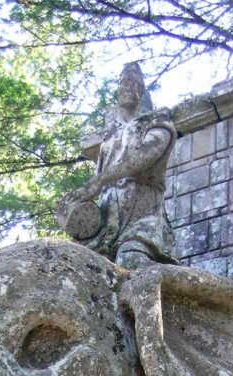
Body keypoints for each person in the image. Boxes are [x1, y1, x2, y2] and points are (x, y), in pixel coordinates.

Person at [56, 63, 178, 269]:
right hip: (107, 217)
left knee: (130, 260)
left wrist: (99, 181)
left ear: (142, 90)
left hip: (142, 218)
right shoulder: (110, 134)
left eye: (136, 84)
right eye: (124, 82)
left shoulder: (157, 122)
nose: (129, 88)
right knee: (83, 268)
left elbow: (142, 158)